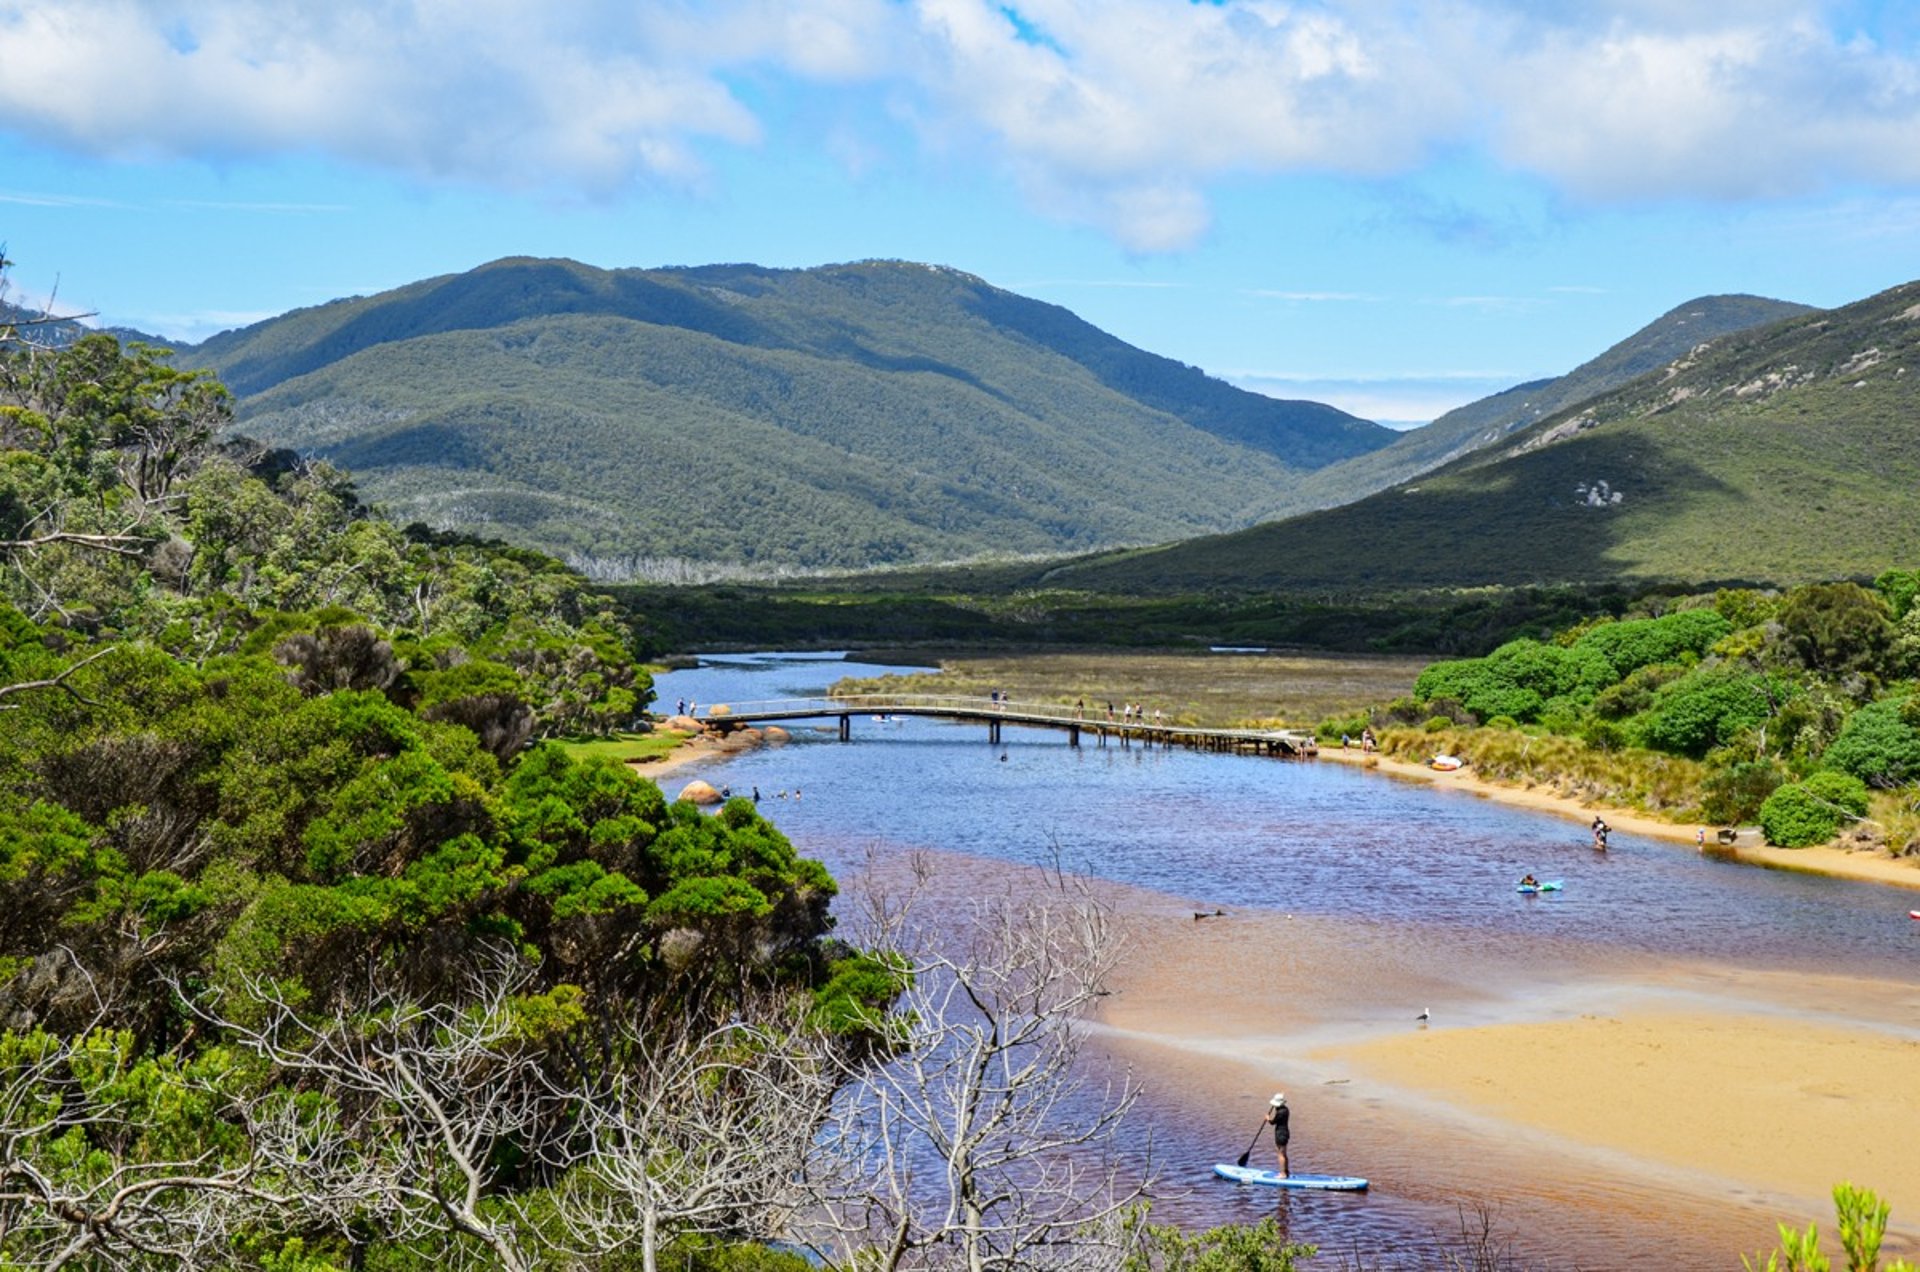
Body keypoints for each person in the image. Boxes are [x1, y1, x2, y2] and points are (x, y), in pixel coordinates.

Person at [1263, 1092, 1291, 1178]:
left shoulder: (1280, 1112)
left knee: (1280, 1154)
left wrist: (1268, 1119)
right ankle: (1286, 1172)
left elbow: (1273, 1122)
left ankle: (1282, 1174)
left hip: (1280, 1134)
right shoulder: (1286, 1109)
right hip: (1285, 1132)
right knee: (1284, 1153)